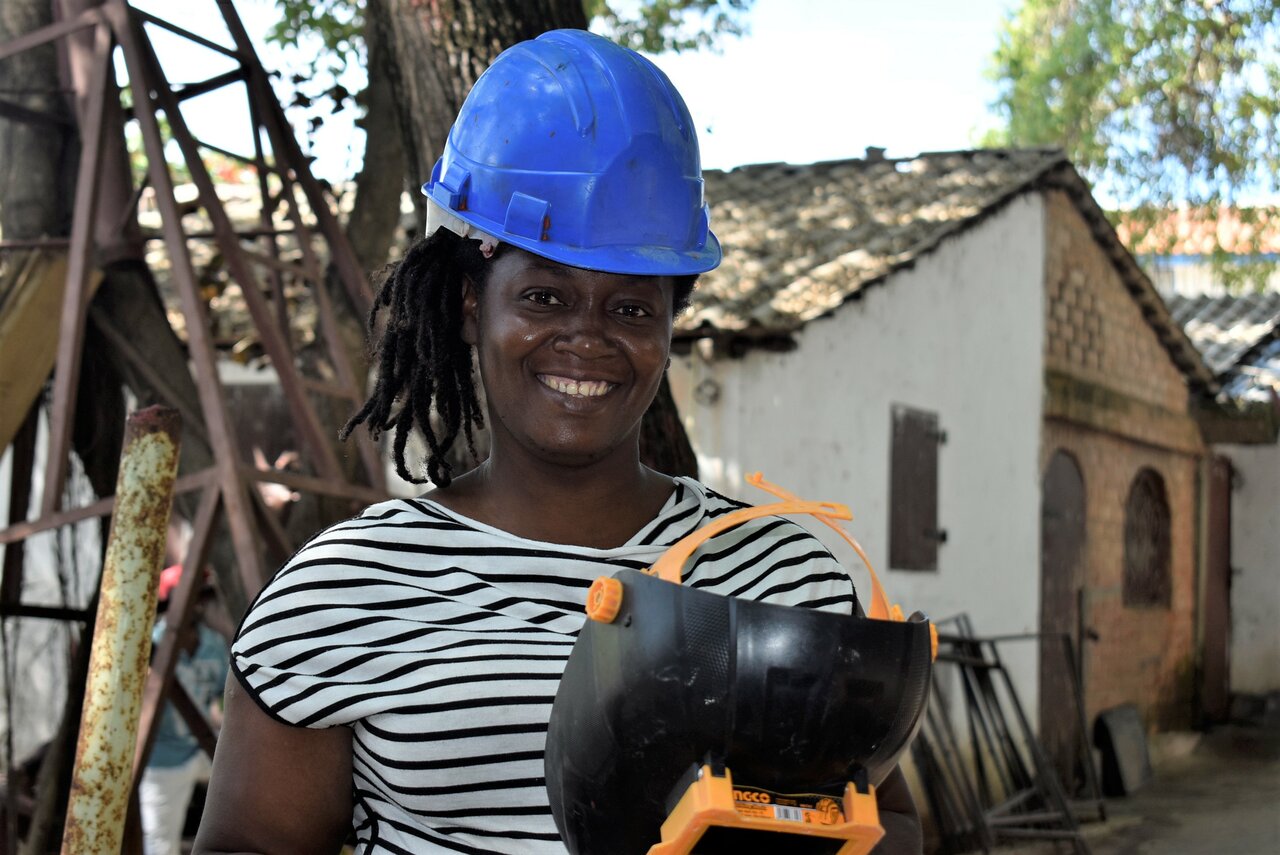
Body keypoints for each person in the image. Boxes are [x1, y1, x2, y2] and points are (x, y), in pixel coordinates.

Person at [195, 29, 922, 854]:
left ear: (670, 327)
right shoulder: (343, 592)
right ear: (472, 305)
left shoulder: (784, 582)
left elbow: (890, 824)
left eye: (632, 307)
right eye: (544, 296)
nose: (587, 337)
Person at [141, 566, 228, 855]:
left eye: (201, 596)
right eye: (192, 595)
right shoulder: (151, 647)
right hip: (164, 758)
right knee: (159, 843)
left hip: (205, 748)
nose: (198, 603)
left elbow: (223, 697)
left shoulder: (213, 645)